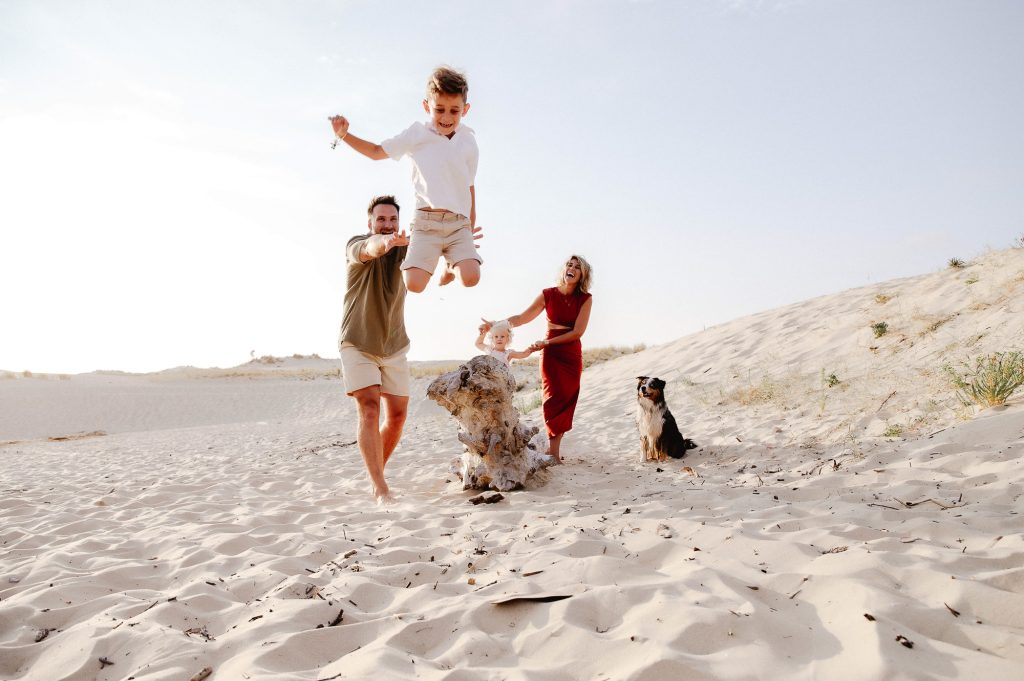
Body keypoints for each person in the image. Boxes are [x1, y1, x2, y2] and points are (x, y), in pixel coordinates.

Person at [328, 66, 482, 293]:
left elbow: (469, 186)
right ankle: (440, 259)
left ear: (465, 109)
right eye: (439, 109)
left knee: (471, 278)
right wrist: (344, 135)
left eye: (454, 111)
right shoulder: (417, 134)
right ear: (426, 106)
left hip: (457, 225)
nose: (446, 117)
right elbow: (376, 151)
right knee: (414, 284)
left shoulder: (468, 141)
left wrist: (469, 225)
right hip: (426, 222)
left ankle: (450, 266)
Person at [480, 255, 593, 463]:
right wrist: (497, 324)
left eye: (578, 267)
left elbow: (578, 332)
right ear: (564, 269)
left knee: (567, 399)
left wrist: (547, 343)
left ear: (582, 275)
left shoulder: (585, 299)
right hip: (551, 355)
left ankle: (554, 451)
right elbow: (522, 318)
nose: (572, 268)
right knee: (552, 399)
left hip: (569, 353)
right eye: (570, 264)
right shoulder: (548, 294)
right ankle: (553, 452)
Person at [339, 195, 412, 505]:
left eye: (392, 219)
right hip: (358, 341)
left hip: (394, 344)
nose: (387, 224)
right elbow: (371, 249)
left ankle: (375, 472)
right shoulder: (357, 245)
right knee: (370, 408)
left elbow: (436, 267)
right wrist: (386, 242)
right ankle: (380, 486)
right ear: (370, 223)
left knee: (396, 417)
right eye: (381, 220)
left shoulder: (407, 249)